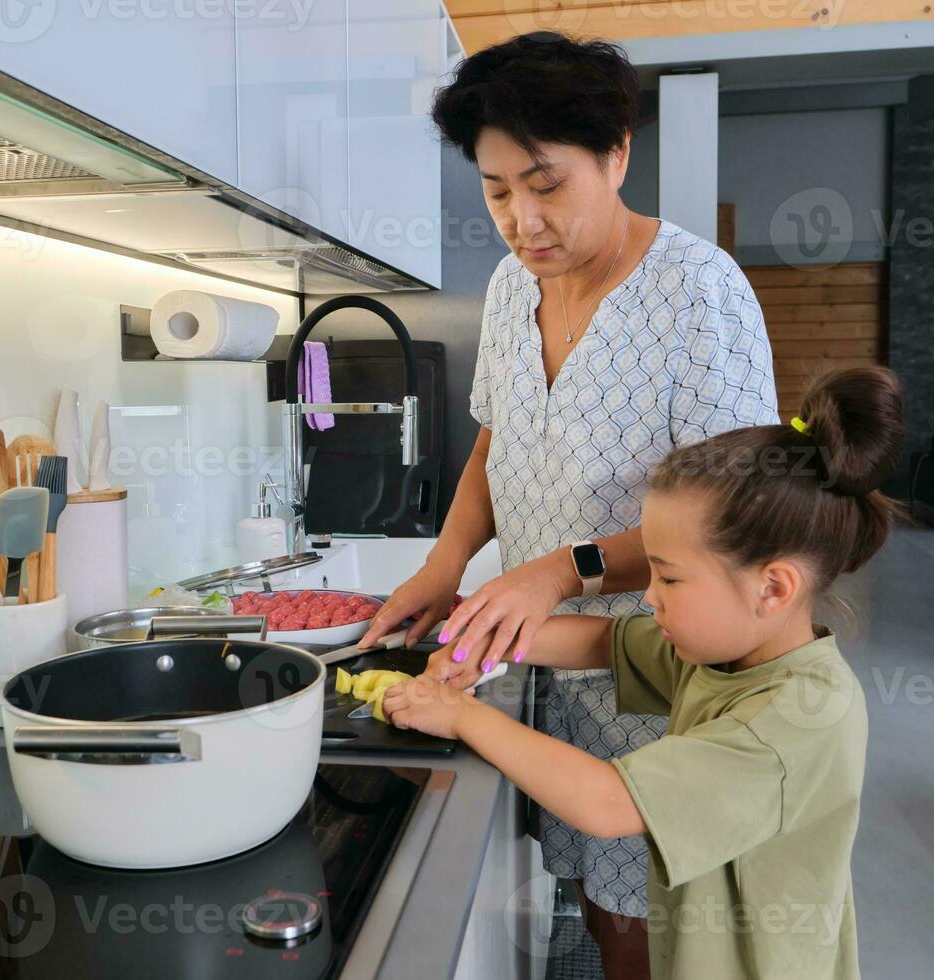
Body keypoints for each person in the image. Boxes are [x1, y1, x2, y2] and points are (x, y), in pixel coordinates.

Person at [357, 32, 779, 974]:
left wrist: (562, 570)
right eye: (497, 190)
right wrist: (444, 564)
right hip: (540, 651)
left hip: (652, 662)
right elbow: (497, 441)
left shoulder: (698, 292)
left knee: (647, 916)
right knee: (591, 896)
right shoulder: (514, 287)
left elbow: (735, 517)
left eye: (545, 185)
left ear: (618, 152)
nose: (520, 219)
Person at [383, 366, 904, 980]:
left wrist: (461, 714)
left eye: (670, 577)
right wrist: (487, 644)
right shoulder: (728, 657)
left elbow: (609, 803)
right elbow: (606, 640)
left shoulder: (793, 721)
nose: (649, 597)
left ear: (773, 587)